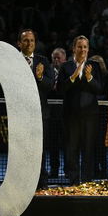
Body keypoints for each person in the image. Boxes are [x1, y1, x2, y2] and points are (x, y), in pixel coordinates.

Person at [58, 35, 101, 185]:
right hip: (71, 115)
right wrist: (73, 76)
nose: (82, 49)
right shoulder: (66, 67)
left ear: (88, 49)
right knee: (72, 149)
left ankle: (87, 181)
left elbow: (99, 88)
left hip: (90, 116)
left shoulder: (94, 66)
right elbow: (60, 89)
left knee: (89, 149)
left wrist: (89, 78)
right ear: (74, 48)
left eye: (85, 47)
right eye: (79, 46)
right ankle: (73, 181)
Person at [17, 29, 53, 189]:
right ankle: (22, 183)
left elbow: (50, 85)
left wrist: (40, 77)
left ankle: (41, 182)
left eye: (31, 40)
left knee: (40, 150)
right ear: (19, 43)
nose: (29, 43)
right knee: (20, 150)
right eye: (26, 40)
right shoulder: (13, 60)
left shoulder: (43, 61)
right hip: (19, 114)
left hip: (39, 114)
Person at [47, 47, 66, 181]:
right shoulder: (47, 70)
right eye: (54, 57)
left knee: (67, 145)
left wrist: (58, 88)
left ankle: (68, 171)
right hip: (51, 114)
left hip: (65, 113)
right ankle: (54, 170)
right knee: (53, 145)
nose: (56, 60)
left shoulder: (69, 70)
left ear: (64, 59)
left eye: (59, 57)